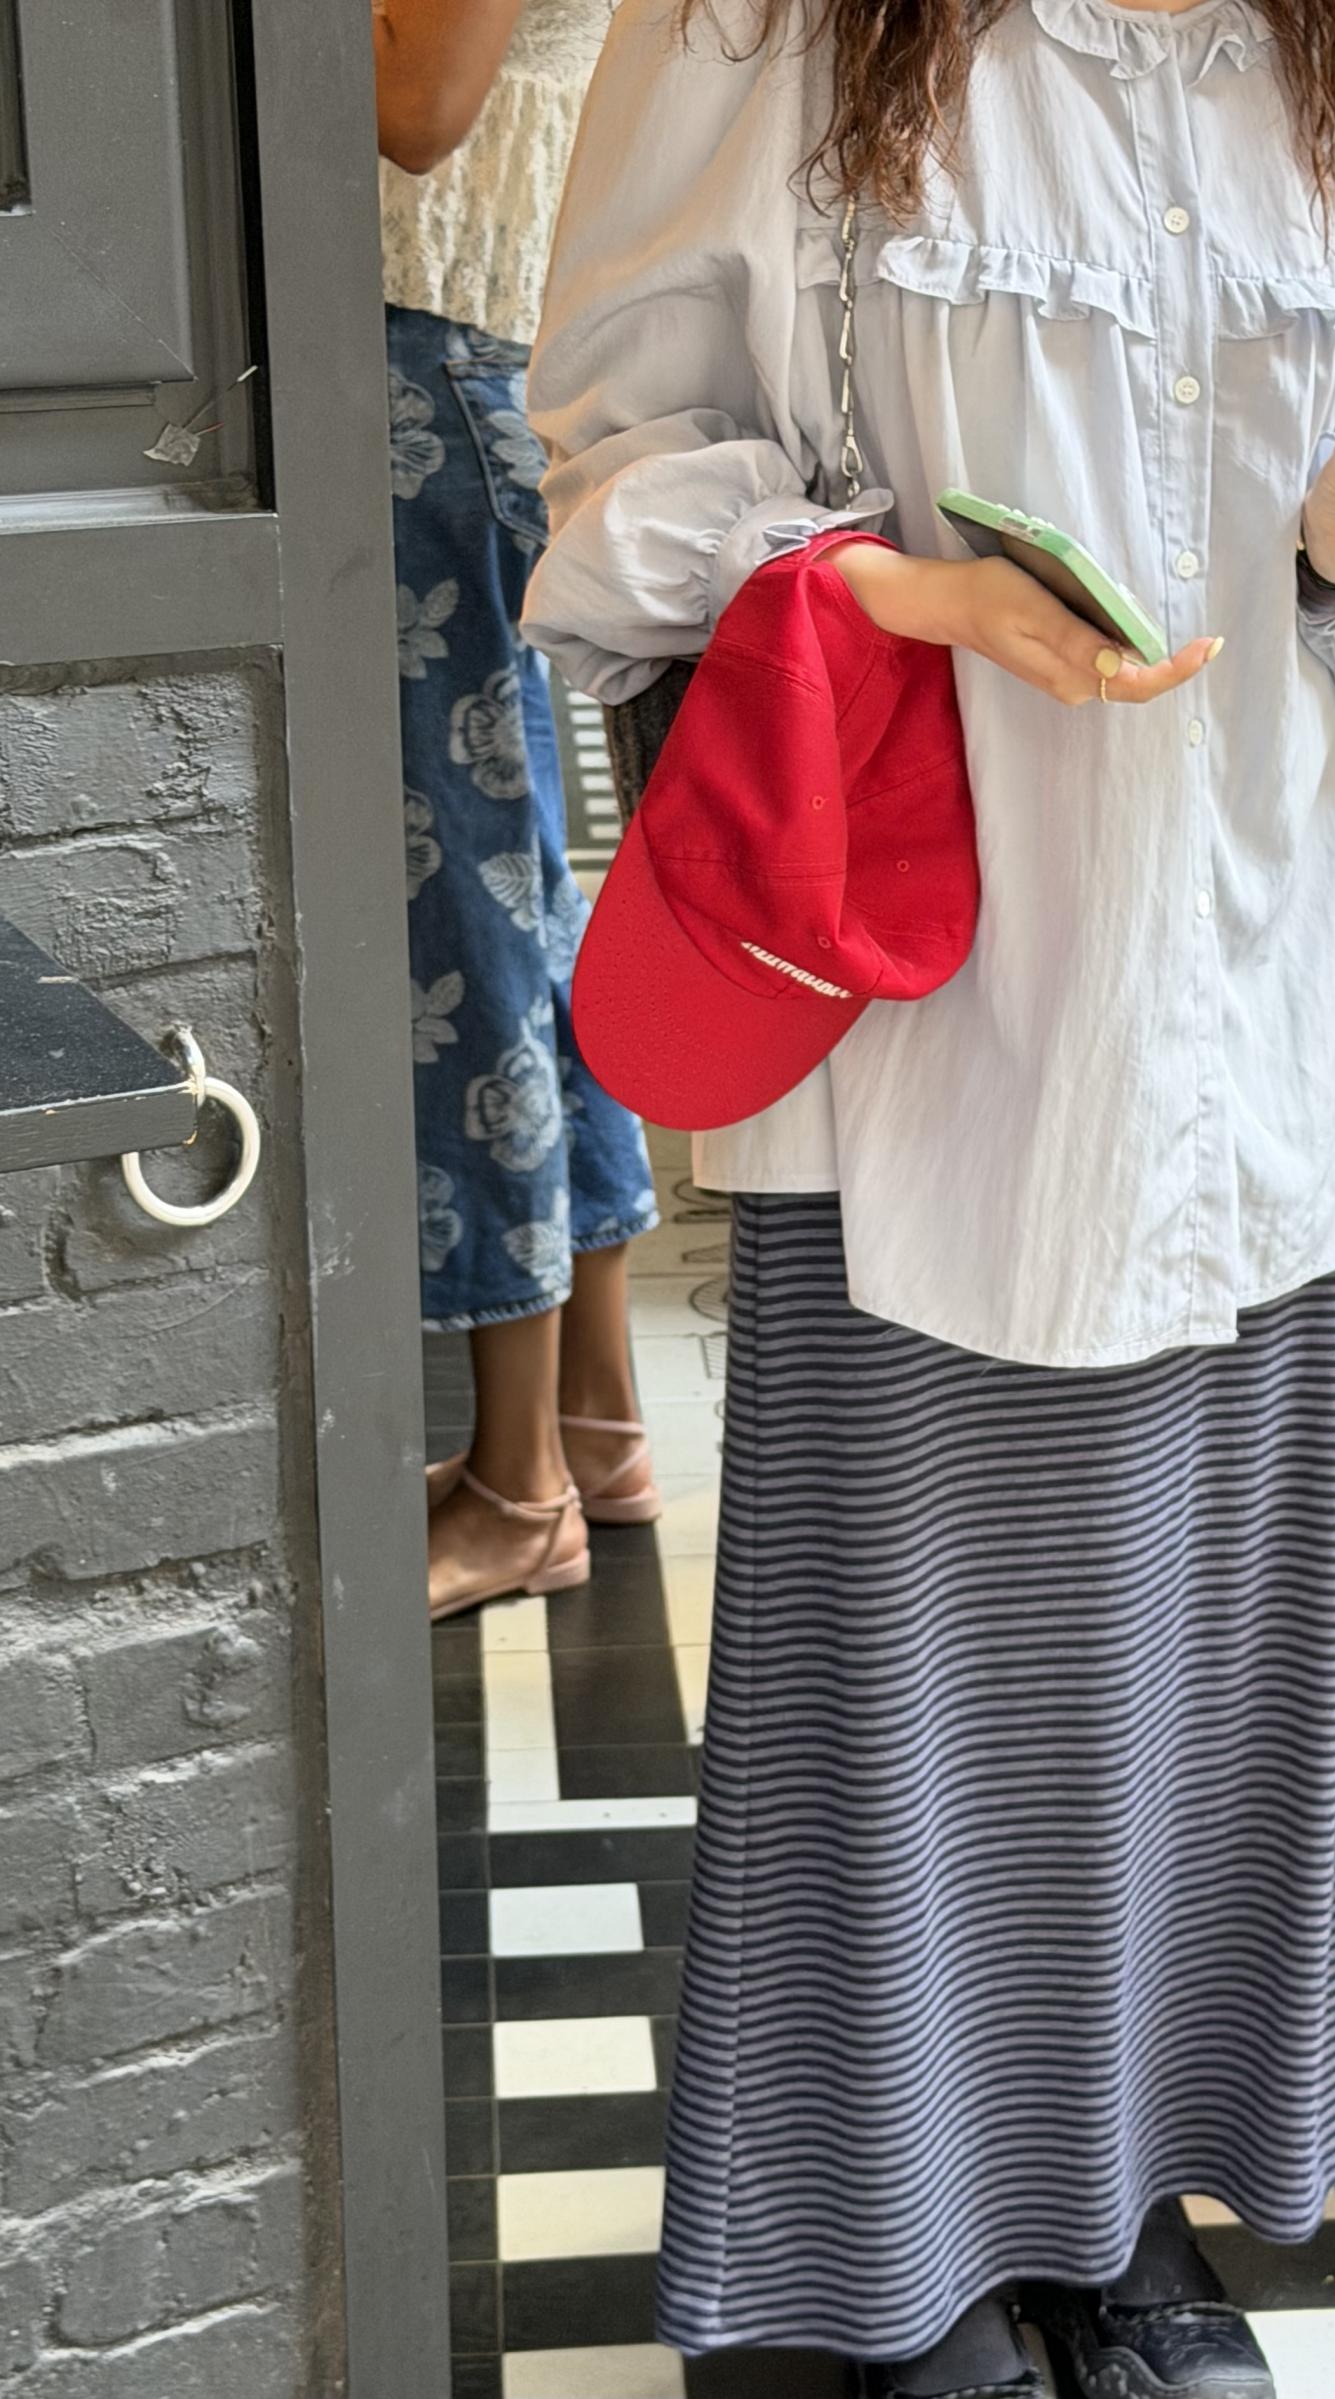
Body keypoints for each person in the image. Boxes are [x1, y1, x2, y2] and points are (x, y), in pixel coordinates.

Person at [523, 0, 1335, 2389]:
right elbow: (609, 481)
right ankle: (905, 2281)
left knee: (1187, 1693)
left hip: (1245, 1009)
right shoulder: (782, 34)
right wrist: (908, 589)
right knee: (904, 1698)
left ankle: (1118, 2232)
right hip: (939, 1009)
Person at [374, 0, 663, 1618]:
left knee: (469, 930)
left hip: (434, 360)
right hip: (473, 349)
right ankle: (591, 1428)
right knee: (524, 915)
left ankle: (516, 1487)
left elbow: (418, 105)